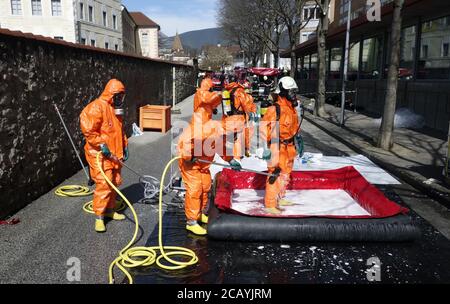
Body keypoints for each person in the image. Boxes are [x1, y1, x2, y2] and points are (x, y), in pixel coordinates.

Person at [80, 79, 129, 232]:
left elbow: (119, 130)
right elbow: (89, 131)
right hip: (99, 155)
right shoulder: (96, 107)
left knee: (114, 182)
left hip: (114, 154)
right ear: (111, 93)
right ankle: (99, 217)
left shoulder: (114, 108)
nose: (120, 99)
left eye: (122, 96)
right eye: (118, 95)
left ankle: (110, 210)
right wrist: (102, 145)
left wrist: (125, 145)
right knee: (104, 185)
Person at [178, 78, 222, 236]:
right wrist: (189, 157)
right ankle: (191, 221)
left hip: (203, 166)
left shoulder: (210, 124)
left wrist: (232, 160)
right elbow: (185, 143)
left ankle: (199, 214)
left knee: (205, 188)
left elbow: (219, 144)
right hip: (191, 165)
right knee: (195, 190)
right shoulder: (199, 121)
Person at [260, 76, 301, 215]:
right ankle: (270, 204)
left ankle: (280, 197)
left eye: (294, 92)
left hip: (289, 146)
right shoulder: (275, 109)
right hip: (277, 146)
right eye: (291, 92)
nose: (293, 95)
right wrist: (265, 149)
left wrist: (299, 139)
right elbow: (263, 129)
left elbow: (294, 127)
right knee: (275, 174)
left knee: (286, 174)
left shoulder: (292, 109)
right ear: (283, 92)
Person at [221, 76, 257, 165]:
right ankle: (236, 159)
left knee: (229, 139)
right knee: (237, 139)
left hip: (228, 118)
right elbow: (246, 104)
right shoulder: (239, 91)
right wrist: (251, 112)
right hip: (238, 118)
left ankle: (228, 158)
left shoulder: (226, 91)